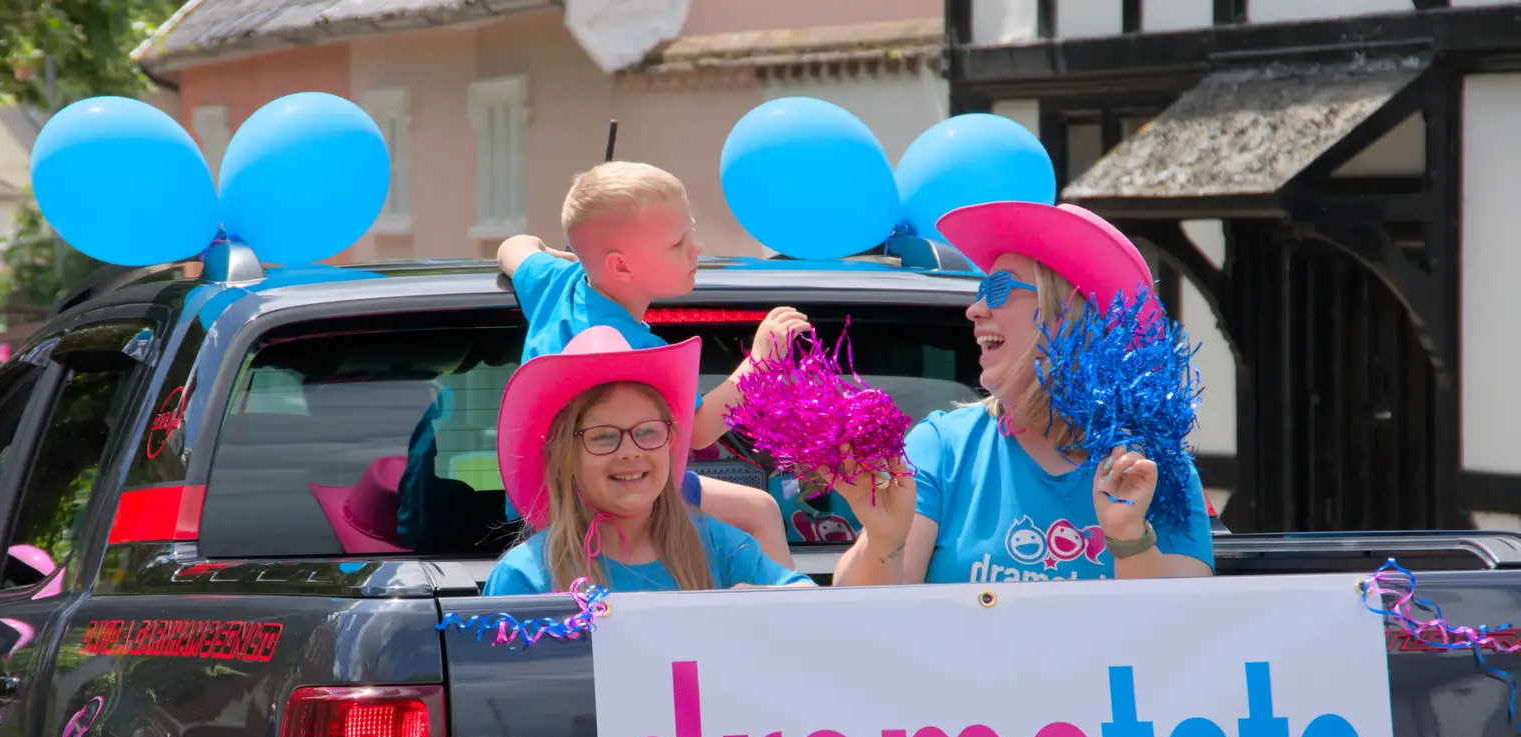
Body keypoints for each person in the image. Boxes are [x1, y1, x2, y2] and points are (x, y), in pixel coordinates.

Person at [833, 201, 1215, 587]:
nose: (975, 309)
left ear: (1067, 313)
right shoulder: (943, 448)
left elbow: (1182, 633)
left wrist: (1129, 540)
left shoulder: (1155, 469)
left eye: (998, 289)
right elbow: (863, 626)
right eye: (982, 290)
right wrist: (883, 541)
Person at [495, 160, 807, 569]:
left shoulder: (556, 282)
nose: (696, 248)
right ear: (620, 266)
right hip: (606, 501)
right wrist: (763, 361)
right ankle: (782, 623)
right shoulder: (632, 347)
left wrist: (565, 256)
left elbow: (512, 247)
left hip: (540, 504)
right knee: (762, 511)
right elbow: (699, 431)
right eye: (678, 243)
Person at [484, 325, 812, 595]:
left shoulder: (720, 547)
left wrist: (767, 604)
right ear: (564, 455)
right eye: (603, 436)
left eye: (648, 431)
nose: (631, 451)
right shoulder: (526, 578)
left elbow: (815, 613)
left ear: (670, 441)